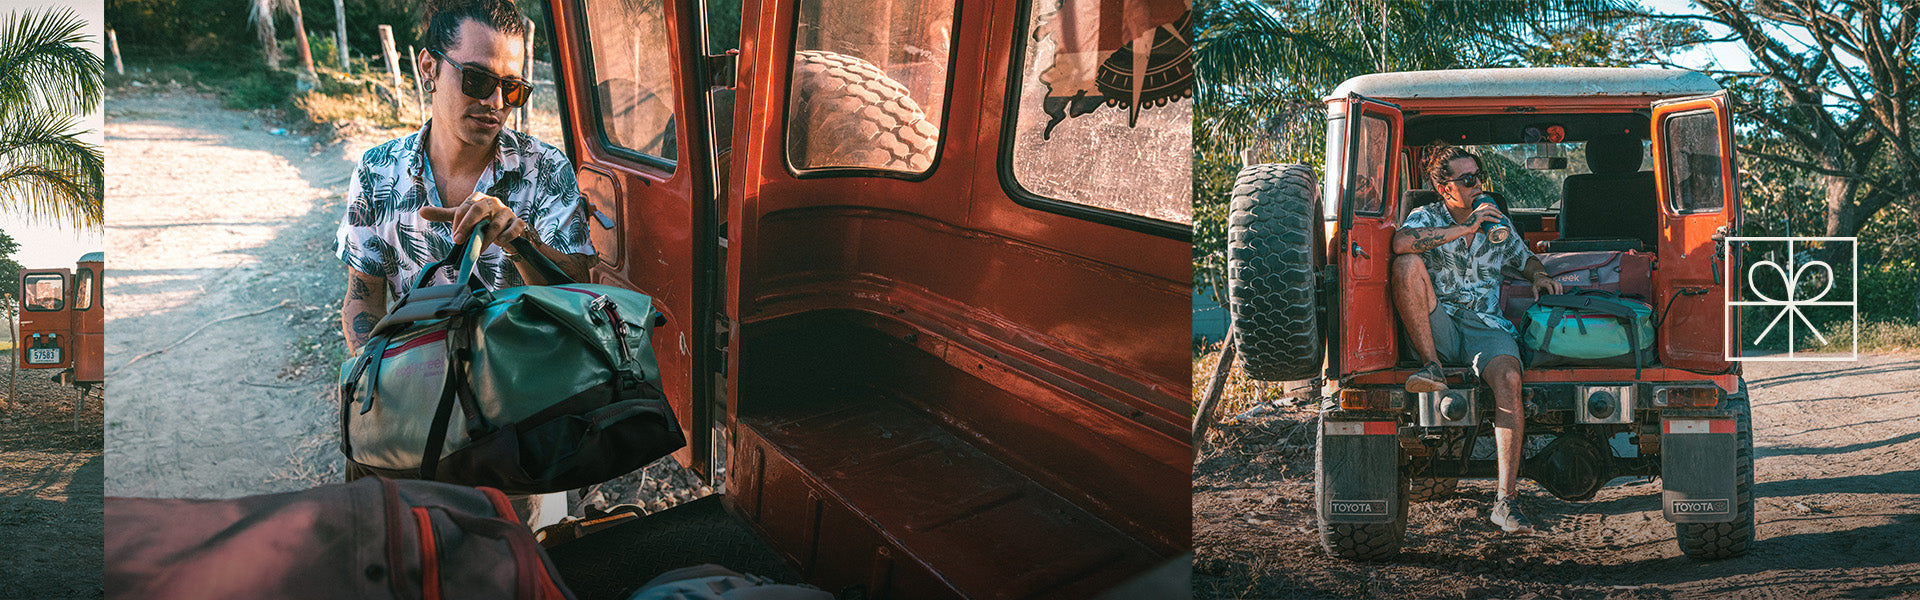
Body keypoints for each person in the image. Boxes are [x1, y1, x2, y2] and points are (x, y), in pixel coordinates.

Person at [335, 0, 595, 526]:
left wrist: (517, 239)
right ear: (430, 69)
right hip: (412, 406)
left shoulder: (544, 171)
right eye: (477, 80)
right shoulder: (379, 171)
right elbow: (363, 295)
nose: (496, 102)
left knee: (514, 553)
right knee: (411, 548)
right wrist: (379, 388)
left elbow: (580, 296)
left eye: (513, 88)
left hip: (515, 412)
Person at [1390, 143, 1561, 534]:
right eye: (1467, 180)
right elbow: (1400, 245)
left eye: (1479, 177)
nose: (1477, 185)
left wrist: (1537, 274)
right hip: (1440, 323)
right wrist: (1467, 226)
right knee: (1407, 264)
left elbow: (1525, 256)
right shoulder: (1426, 216)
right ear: (1443, 186)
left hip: (1486, 324)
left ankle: (1505, 500)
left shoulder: (1496, 222)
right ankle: (1432, 367)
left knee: (1509, 379)